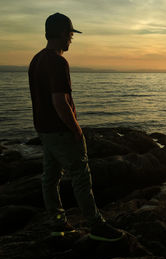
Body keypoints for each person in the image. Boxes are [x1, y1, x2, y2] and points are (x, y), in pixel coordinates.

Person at [28, 12, 124, 241]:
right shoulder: (58, 61)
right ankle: (96, 225)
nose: (71, 39)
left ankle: (57, 222)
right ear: (63, 34)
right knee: (81, 176)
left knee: (50, 178)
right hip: (61, 131)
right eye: (71, 34)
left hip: (44, 130)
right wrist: (76, 129)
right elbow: (60, 101)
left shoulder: (36, 59)